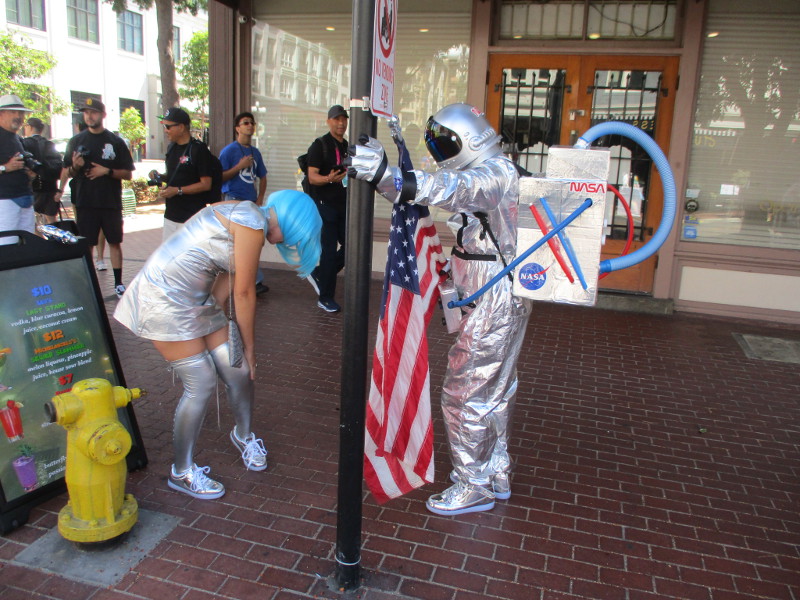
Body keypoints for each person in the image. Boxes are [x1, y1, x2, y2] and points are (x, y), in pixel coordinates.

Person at [349, 103, 532, 515]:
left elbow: (449, 189)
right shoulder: (496, 171)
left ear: (468, 138)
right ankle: (493, 470)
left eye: (445, 143)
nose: (441, 152)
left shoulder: (494, 174)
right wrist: (387, 180)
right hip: (493, 292)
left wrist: (388, 175)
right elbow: (446, 194)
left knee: (465, 392)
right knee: (494, 390)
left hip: (494, 297)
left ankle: (474, 484)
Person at [114, 190, 322, 499]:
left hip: (198, 299)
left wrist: (227, 338)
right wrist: (250, 349)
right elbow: (244, 294)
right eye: (293, 236)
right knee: (201, 382)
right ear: (292, 222)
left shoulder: (245, 212)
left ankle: (243, 436)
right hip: (163, 299)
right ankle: (181, 472)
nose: (284, 243)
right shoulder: (252, 224)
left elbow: (224, 275)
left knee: (237, 368)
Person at [63, 98, 134, 297]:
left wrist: (107, 171)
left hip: (110, 202)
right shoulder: (76, 141)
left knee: (114, 242)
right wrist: (75, 166)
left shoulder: (115, 142)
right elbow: (67, 171)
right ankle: (87, 282)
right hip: (85, 202)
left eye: (93, 112)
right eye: (86, 112)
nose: (89, 116)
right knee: (87, 244)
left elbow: (128, 174)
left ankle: (118, 283)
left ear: (103, 115)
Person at [305, 105, 349, 313]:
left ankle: (320, 273)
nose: (341, 123)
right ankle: (325, 297)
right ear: (329, 121)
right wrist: (329, 179)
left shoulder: (347, 146)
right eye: (336, 119)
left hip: (343, 205)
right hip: (325, 206)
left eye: (343, 119)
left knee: (351, 248)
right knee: (329, 251)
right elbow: (312, 177)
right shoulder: (319, 145)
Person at [150, 107, 218, 241]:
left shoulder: (198, 149)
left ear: (181, 127)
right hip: (170, 216)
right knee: (169, 254)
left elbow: (206, 184)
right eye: (164, 126)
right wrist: (159, 176)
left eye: (168, 127)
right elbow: (176, 176)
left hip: (192, 218)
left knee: (191, 254)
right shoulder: (171, 147)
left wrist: (178, 190)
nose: (165, 130)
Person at [220, 111, 269, 294]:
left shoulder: (255, 152)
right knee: (236, 243)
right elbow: (219, 177)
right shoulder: (228, 151)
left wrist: (260, 198)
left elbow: (263, 177)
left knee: (252, 241)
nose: (250, 126)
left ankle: (253, 280)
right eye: (245, 123)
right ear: (237, 128)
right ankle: (244, 281)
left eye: (252, 123)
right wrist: (239, 167)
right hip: (233, 201)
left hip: (250, 203)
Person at [0, 94, 35, 244]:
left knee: (28, 244)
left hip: (24, 197)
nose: (18, 116)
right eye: (13, 112)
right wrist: (5, 167)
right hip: (5, 200)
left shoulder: (16, 137)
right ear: (1, 113)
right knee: (7, 245)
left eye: (21, 113)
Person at [21, 117, 63, 225]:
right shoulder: (49, 144)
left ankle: (38, 236)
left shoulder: (25, 143)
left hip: (34, 187)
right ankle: (52, 236)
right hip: (51, 186)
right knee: (51, 220)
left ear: (29, 127)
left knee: (32, 220)